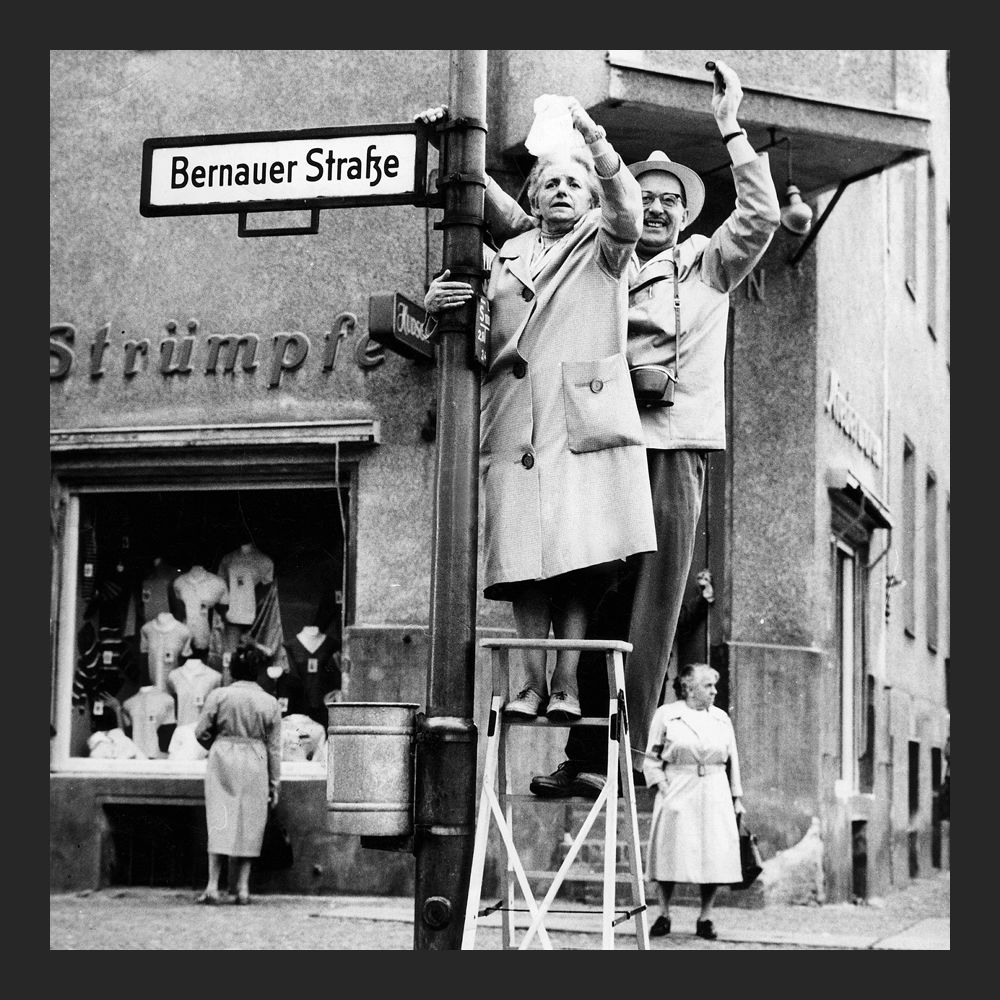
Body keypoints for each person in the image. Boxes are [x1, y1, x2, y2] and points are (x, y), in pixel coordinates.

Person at [534, 58, 780, 798]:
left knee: (651, 604)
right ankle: (581, 749)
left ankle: (623, 750)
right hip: (605, 444)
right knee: (593, 592)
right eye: (651, 196)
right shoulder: (599, 258)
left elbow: (762, 217)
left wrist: (729, 126)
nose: (664, 207)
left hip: (671, 448)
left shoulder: (705, 266)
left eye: (676, 199)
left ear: (688, 214)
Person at [420, 98, 656, 739]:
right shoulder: (510, 253)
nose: (561, 188)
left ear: (591, 196)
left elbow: (627, 206)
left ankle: (567, 690)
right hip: (512, 417)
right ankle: (526, 686)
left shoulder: (605, 246)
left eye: (574, 182)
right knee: (523, 559)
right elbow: (477, 336)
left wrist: (593, 142)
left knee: (580, 560)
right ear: (533, 192)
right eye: (549, 180)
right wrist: (442, 306)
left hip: (574, 418)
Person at [642, 662, 745, 940]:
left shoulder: (721, 718)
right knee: (670, 851)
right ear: (688, 687)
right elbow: (650, 759)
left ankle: (705, 916)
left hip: (714, 788)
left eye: (714, 686)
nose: (714, 691)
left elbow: (733, 760)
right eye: (708, 685)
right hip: (677, 786)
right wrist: (662, 787)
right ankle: (664, 914)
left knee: (712, 854)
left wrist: (737, 798)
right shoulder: (667, 715)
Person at [193, 643, 282, 905]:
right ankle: (242, 888)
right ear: (258, 671)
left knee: (220, 818)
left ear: (232, 670)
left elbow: (200, 731)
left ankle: (212, 886)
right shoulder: (270, 702)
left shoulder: (219, 695)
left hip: (222, 758)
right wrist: (274, 784)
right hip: (255, 759)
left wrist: (217, 743)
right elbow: (275, 749)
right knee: (249, 823)